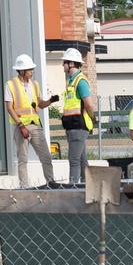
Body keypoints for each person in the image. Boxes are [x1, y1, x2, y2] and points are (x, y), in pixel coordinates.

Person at [5, 54, 60, 189]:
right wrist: (21, 125)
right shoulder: (11, 85)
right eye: (29, 69)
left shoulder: (35, 85)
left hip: (35, 125)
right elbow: (9, 108)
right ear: (21, 70)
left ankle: (50, 182)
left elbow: (40, 104)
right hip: (20, 127)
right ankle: (24, 187)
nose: (32, 71)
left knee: (46, 157)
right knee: (23, 159)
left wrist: (51, 101)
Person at [60, 48, 94, 188]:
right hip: (73, 126)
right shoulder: (72, 81)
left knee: (74, 160)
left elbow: (89, 105)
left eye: (64, 62)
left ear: (71, 63)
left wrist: (92, 118)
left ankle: (72, 189)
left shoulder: (80, 81)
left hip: (78, 126)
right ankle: (88, 188)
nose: (63, 65)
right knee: (81, 160)